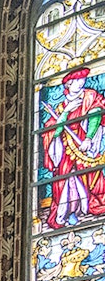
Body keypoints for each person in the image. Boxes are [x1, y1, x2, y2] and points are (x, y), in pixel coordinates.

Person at [42, 67, 105, 229]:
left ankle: (88, 206)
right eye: (77, 80)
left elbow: (96, 114)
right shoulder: (62, 107)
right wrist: (65, 114)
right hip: (65, 148)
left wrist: (89, 138)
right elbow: (53, 131)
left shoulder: (90, 96)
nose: (81, 83)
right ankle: (69, 212)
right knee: (65, 180)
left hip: (85, 144)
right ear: (68, 84)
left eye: (83, 79)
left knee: (92, 177)